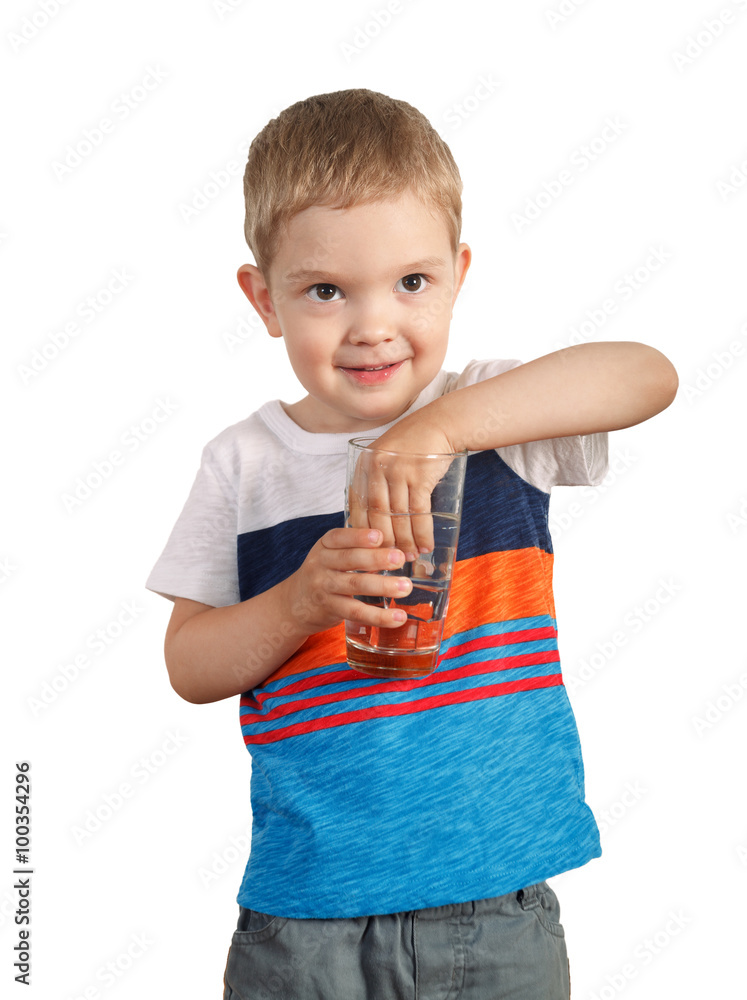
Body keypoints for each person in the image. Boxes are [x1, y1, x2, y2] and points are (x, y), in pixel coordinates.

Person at [145, 88, 678, 999]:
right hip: (303, 917)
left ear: (458, 274)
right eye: (324, 291)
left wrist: (440, 431)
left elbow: (648, 374)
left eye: (412, 282)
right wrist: (299, 602)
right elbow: (190, 666)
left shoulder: (501, 415)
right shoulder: (244, 462)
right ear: (262, 299)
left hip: (496, 905)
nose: (373, 325)